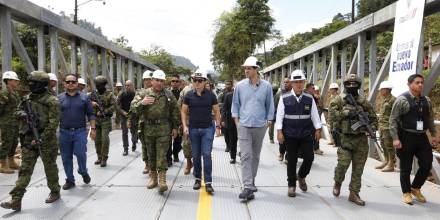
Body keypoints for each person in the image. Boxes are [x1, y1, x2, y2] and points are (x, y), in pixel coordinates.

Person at [1, 71, 61, 211]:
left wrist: (40, 138)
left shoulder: (52, 101)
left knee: (50, 167)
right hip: (28, 138)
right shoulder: (26, 99)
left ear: (41, 84)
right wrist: (22, 114)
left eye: (33, 83)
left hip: (46, 140)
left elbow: (53, 124)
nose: (30, 85)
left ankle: (55, 191)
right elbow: (15, 112)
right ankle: (16, 199)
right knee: (25, 169)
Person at [389, 74, 439, 205]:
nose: (421, 85)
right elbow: (393, 120)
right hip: (406, 136)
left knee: (427, 163)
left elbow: (430, 119)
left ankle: (415, 188)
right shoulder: (402, 100)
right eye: (417, 82)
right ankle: (406, 192)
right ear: (409, 84)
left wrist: (434, 135)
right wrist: (395, 138)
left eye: (422, 82)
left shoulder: (426, 100)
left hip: (422, 137)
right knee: (406, 167)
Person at [329, 74, 377, 206]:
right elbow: (332, 117)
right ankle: (338, 182)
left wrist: (370, 127)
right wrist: (346, 113)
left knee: (358, 168)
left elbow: (374, 119)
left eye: (354, 84)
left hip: (360, 140)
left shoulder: (364, 102)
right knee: (342, 165)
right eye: (349, 84)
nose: (352, 86)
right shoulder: (338, 100)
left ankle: (354, 193)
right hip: (345, 138)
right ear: (345, 85)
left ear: (359, 85)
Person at [232, 56, 274, 201]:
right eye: (245, 68)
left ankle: (252, 180)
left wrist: (268, 122)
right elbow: (235, 105)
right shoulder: (240, 86)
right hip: (243, 125)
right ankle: (248, 186)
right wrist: (237, 121)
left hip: (260, 126)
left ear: (256, 70)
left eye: (249, 68)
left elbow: (270, 105)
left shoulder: (267, 87)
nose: (246, 70)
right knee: (245, 155)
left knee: (255, 156)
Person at [276, 70, 321, 197]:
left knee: (309, 158)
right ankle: (291, 185)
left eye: (301, 81)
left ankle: (301, 176)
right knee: (291, 160)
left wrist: (318, 129)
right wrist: (279, 131)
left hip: (306, 133)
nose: (299, 84)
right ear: (291, 83)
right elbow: (279, 115)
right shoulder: (284, 98)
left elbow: (314, 115)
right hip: (290, 134)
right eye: (296, 82)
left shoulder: (309, 98)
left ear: (304, 82)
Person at [134, 70, 179, 193]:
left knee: (162, 155)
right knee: (151, 154)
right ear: (152, 80)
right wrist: (142, 104)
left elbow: (175, 111)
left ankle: (162, 181)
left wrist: (175, 127)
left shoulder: (168, 95)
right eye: (157, 80)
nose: (159, 83)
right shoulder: (144, 94)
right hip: (148, 129)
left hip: (164, 128)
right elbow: (133, 109)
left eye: (161, 81)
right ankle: (153, 179)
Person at [181, 70, 221, 194]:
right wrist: (184, 126)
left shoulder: (211, 95)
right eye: (194, 80)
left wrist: (218, 126)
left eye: (200, 81)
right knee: (196, 156)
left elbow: (216, 111)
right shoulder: (188, 95)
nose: (197, 83)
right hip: (193, 129)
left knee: (207, 155)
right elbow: (183, 111)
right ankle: (197, 179)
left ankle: (208, 182)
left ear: (205, 82)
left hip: (208, 129)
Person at [58, 74, 95, 190]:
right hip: (64, 132)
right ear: (64, 83)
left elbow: (91, 114)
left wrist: (93, 129)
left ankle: (83, 171)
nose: (70, 84)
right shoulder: (59, 98)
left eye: (73, 82)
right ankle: (70, 180)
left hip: (80, 132)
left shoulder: (84, 98)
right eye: (68, 82)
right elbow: (54, 116)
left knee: (80, 154)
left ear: (77, 84)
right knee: (66, 157)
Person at [89, 76, 117, 167]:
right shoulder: (93, 94)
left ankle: (104, 158)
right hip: (96, 120)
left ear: (103, 85)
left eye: (99, 85)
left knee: (104, 139)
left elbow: (114, 106)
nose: (98, 86)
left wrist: (104, 111)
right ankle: (99, 157)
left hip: (105, 120)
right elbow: (84, 101)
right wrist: (91, 103)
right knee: (97, 140)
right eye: (97, 85)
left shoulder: (109, 94)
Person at [130, 70, 152, 174]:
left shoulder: (158, 91)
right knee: (144, 145)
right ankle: (147, 164)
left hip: (158, 124)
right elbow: (133, 106)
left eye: (150, 79)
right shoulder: (140, 93)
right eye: (147, 79)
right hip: (143, 123)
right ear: (143, 80)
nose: (149, 81)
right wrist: (142, 103)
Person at [0, 71, 21, 174]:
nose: (17, 82)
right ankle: (2, 164)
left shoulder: (15, 92)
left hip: (15, 122)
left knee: (14, 142)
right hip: (7, 122)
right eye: (15, 80)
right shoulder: (4, 93)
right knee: (6, 143)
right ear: (8, 81)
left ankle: (11, 161)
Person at [375, 81, 396, 172]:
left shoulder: (393, 100)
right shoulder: (385, 100)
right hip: (382, 126)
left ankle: (391, 164)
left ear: (387, 90)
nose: (380, 91)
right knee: (383, 144)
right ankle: (386, 161)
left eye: (381, 89)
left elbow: (395, 115)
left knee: (389, 145)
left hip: (388, 127)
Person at [275, 78, 293, 162]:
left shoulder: (294, 93)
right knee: (282, 139)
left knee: (290, 140)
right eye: (284, 82)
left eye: (287, 82)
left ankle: (288, 157)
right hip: (282, 121)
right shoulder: (279, 94)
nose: (285, 84)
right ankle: (281, 153)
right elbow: (275, 106)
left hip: (292, 121)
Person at [166, 75, 183, 166]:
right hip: (168, 120)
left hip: (179, 120)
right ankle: (168, 158)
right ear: (171, 83)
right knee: (168, 140)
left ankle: (175, 154)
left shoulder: (182, 93)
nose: (175, 83)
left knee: (178, 140)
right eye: (173, 81)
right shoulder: (166, 93)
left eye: (177, 81)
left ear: (179, 83)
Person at [178, 82, 194, 175]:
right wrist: (180, 123)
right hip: (187, 122)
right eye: (195, 79)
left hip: (200, 122)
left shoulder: (204, 90)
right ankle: (188, 162)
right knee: (186, 145)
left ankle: (196, 163)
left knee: (199, 146)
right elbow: (179, 105)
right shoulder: (185, 90)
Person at [118, 80, 137, 156]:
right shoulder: (122, 94)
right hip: (124, 115)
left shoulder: (136, 94)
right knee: (124, 132)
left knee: (134, 131)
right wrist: (122, 112)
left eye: (129, 85)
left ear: (132, 86)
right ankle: (125, 148)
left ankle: (134, 142)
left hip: (133, 115)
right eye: (126, 85)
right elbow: (117, 105)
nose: (127, 87)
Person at [221, 81, 238, 164]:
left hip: (243, 122)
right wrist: (223, 119)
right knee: (232, 140)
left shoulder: (244, 97)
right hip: (231, 121)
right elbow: (224, 108)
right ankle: (233, 157)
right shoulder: (228, 96)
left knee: (242, 140)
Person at [305, 83, 324, 155]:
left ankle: (316, 148)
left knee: (315, 132)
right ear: (308, 89)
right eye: (312, 88)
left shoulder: (314, 96)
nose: (314, 90)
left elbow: (321, 105)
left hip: (313, 119)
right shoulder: (303, 96)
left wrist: (318, 98)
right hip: (305, 120)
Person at [219, 80, 234, 152]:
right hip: (225, 115)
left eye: (229, 84)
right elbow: (219, 104)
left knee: (232, 133)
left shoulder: (235, 92)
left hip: (233, 115)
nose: (227, 85)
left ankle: (232, 146)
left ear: (232, 85)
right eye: (226, 84)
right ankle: (227, 145)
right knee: (225, 132)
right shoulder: (222, 93)